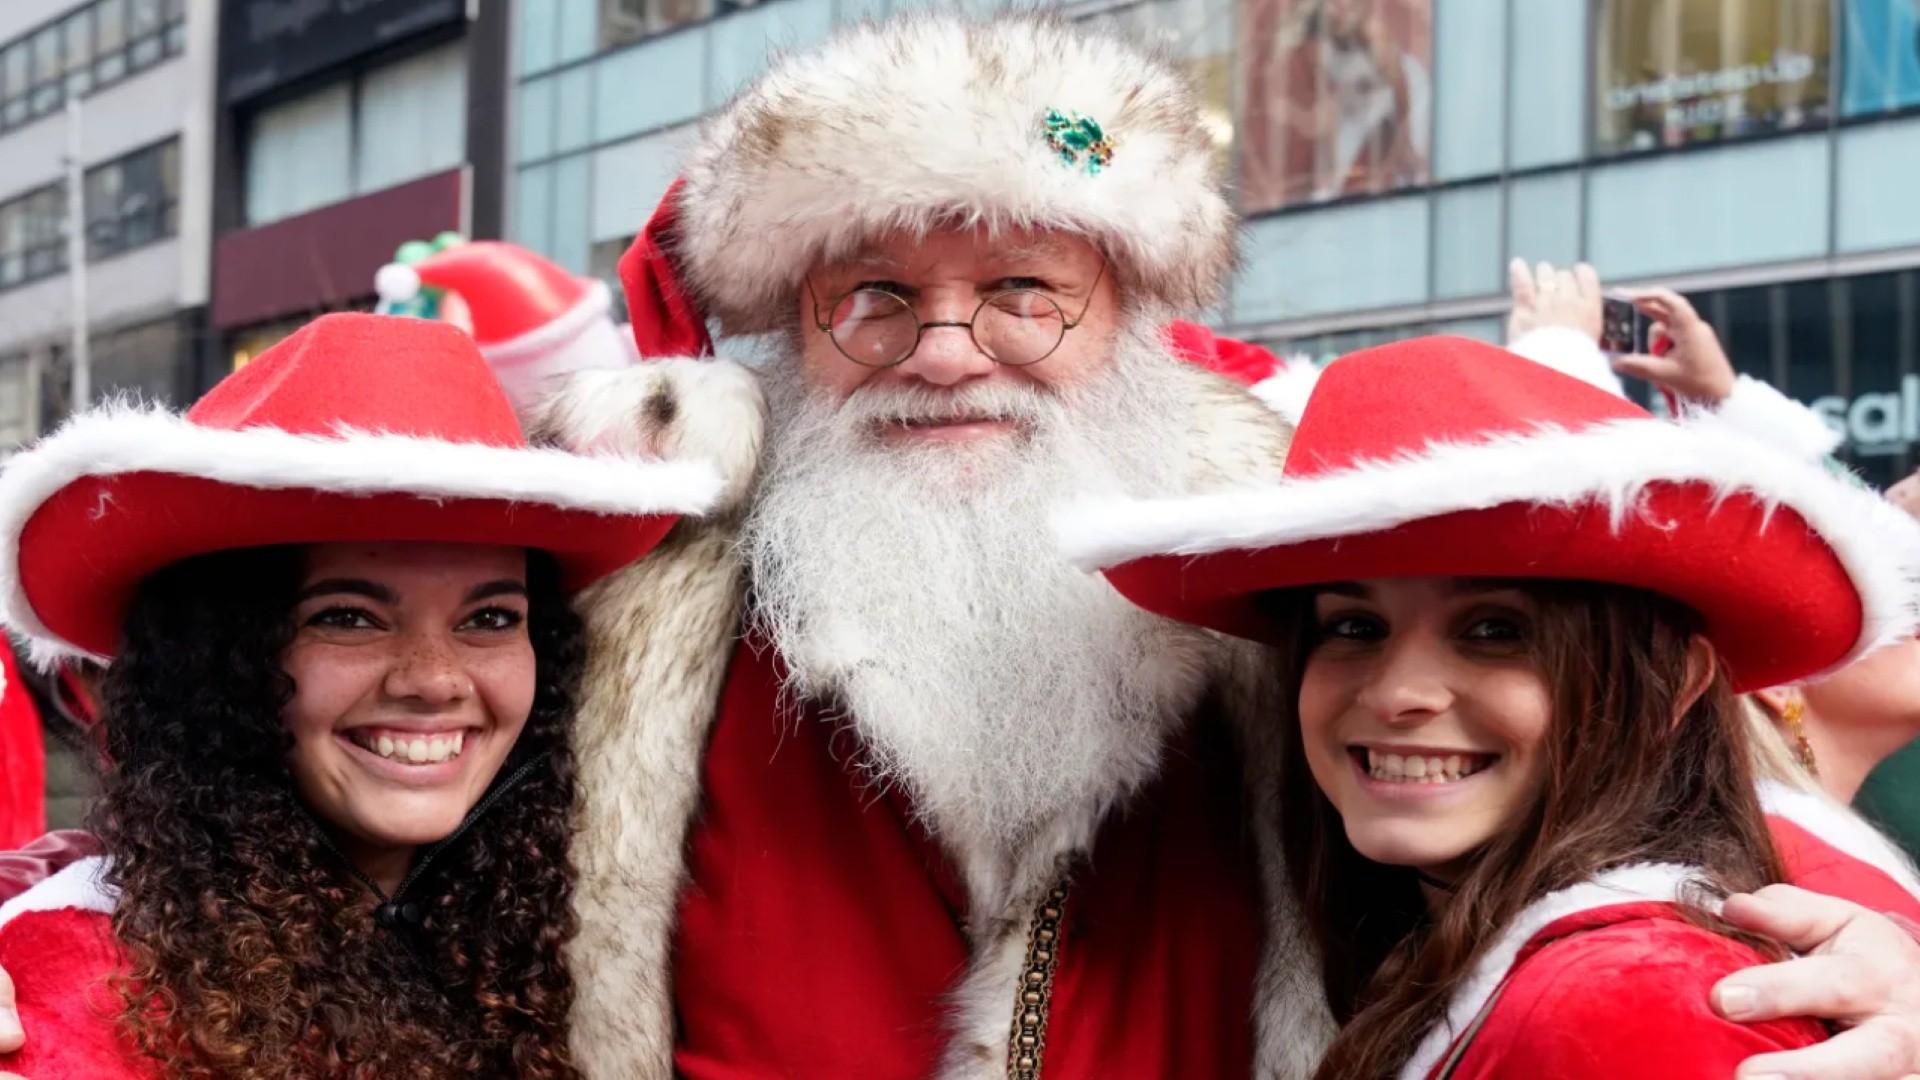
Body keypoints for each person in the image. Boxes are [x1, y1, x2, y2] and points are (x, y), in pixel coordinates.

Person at [10, 13, 1920, 1080]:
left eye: (1023, 286)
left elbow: (1670, 805)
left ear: (1134, 319)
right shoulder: (646, 578)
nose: (945, 347)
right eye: (873, 296)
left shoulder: (1300, 582)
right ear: (784, 330)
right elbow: (318, 831)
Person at [1054, 334, 1920, 1077]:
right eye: (1353, 625)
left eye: (1496, 631)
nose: (1396, 694)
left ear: (1675, 690)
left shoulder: (1627, 999)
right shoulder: (1454, 947)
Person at [0, 313, 716, 1078]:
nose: (436, 679)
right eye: (349, 617)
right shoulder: (69, 994)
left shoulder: (541, 938)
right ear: (214, 666)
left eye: (491, 619)